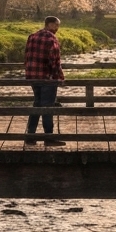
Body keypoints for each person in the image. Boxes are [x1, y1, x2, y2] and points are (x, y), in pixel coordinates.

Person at [24, 16, 66, 146]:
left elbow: (26, 56)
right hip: (47, 78)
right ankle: (49, 137)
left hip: (33, 76)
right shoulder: (51, 39)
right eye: (57, 25)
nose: (57, 28)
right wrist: (59, 78)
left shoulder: (32, 36)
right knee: (47, 106)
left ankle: (30, 136)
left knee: (37, 104)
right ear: (50, 24)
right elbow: (54, 61)